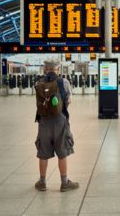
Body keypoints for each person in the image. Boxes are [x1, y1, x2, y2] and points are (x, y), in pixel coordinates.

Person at [34, 59, 79, 192]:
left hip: (43, 121)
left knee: (43, 152)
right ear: (58, 69)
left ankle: (42, 182)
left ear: (45, 68)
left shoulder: (39, 82)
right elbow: (68, 101)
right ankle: (64, 183)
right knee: (62, 151)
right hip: (60, 121)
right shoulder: (63, 82)